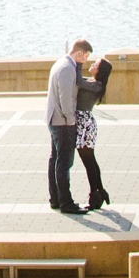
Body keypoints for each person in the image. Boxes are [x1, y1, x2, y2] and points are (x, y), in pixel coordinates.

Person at [71, 39, 112, 213]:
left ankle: (96, 194)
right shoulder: (93, 82)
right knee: (90, 161)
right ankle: (99, 192)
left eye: (95, 64)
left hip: (84, 124)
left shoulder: (97, 85)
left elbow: (79, 82)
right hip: (83, 123)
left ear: (99, 70)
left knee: (89, 161)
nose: (92, 64)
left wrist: (78, 62)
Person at [44, 43, 83, 213]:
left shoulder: (60, 63)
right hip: (63, 122)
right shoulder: (68, 68)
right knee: (64, 162)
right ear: (80, 53)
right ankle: (66, 202)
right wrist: (71, 120)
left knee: (55, 160)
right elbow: (66, 98)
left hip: (54, 119)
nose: (86, 60)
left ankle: (56, 199)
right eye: (86, 56)